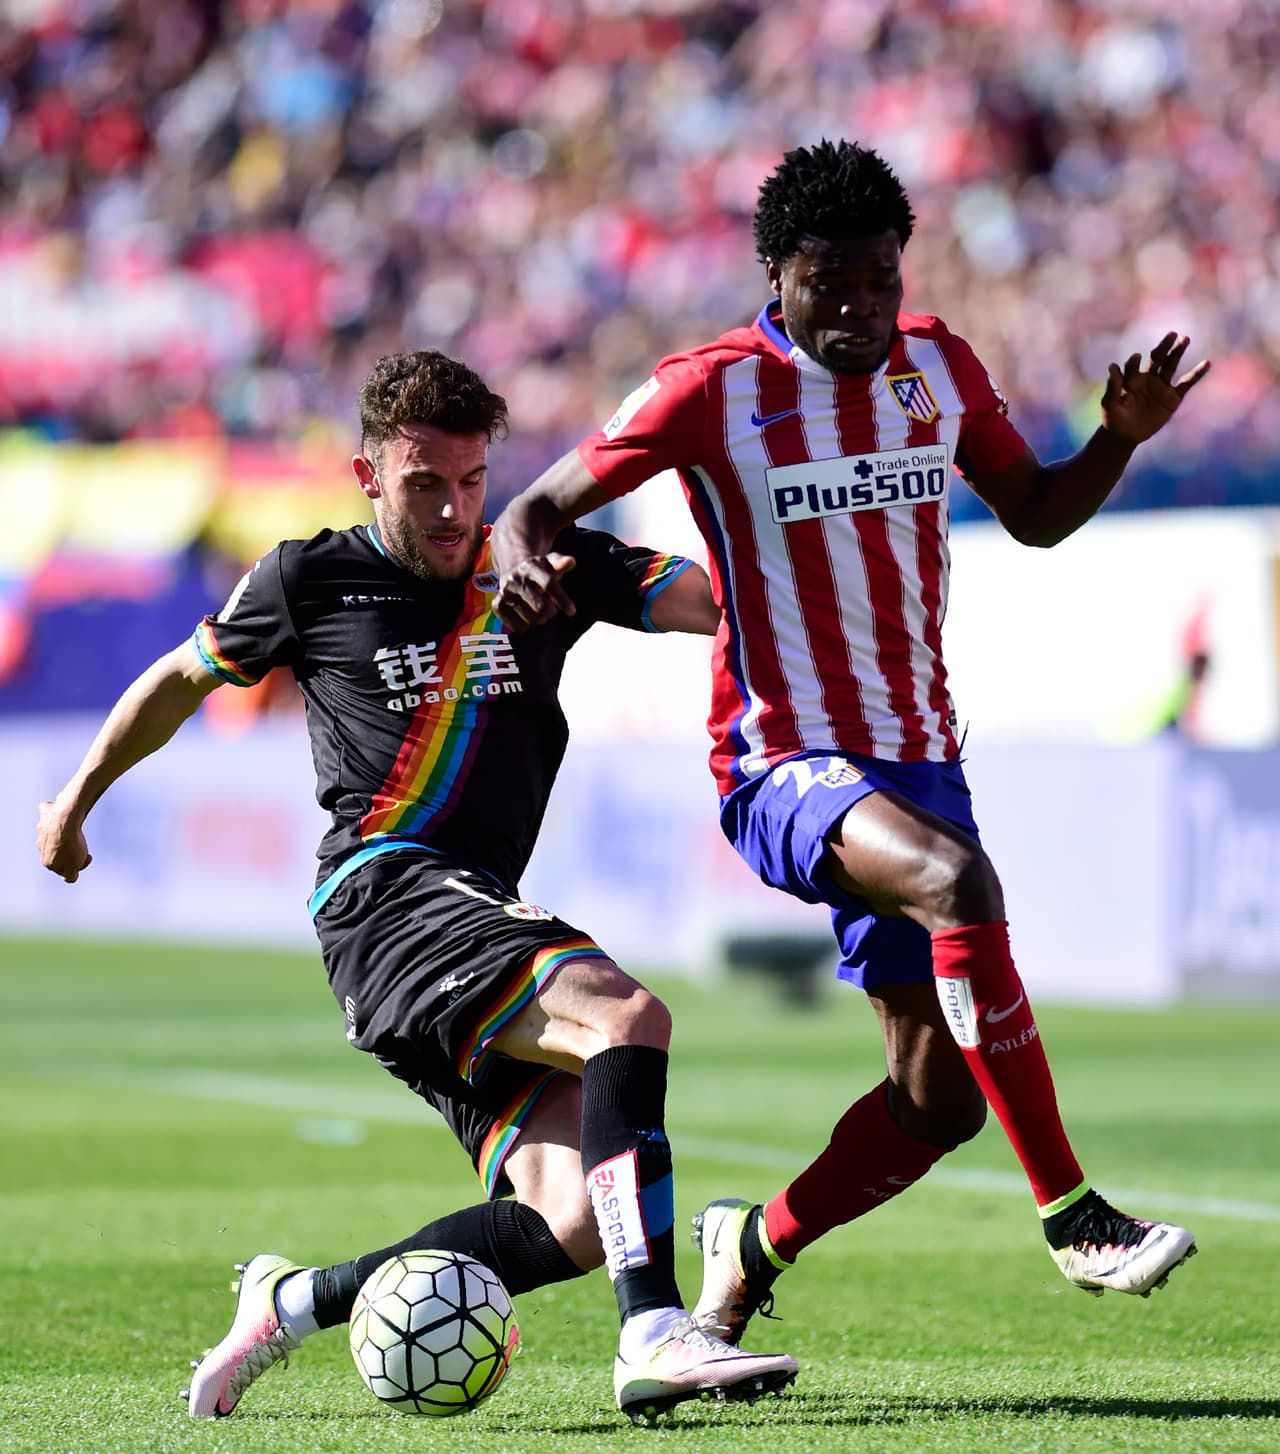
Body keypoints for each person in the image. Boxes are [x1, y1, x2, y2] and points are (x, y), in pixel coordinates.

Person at [490, 139, 1211, 1345]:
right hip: (779, 757)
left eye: (880, 280)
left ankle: (752, 1244)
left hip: (916, 755)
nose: (860, 308)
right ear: (775, 276)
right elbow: (532, 508)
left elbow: (1034, 516)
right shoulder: (706, 388)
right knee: (956, 881)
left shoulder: (935, 365)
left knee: (935, 1103)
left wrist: (1115, 438)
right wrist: (521, 565)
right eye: (830, 283)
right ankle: (1072, 1212)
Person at [35, 349, 798, 1424]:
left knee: (575, 1217)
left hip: (463, 910)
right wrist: (76, 797)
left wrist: (801, 573)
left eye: (472, 480)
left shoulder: (543, 561)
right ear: (368, 475)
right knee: (623, 1016)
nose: (452, 509)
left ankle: (294, 1301)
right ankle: (655, 1331)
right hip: (384, 894)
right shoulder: (307, 578)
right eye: (423, 482)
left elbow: (713, 603)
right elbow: (178, 678)